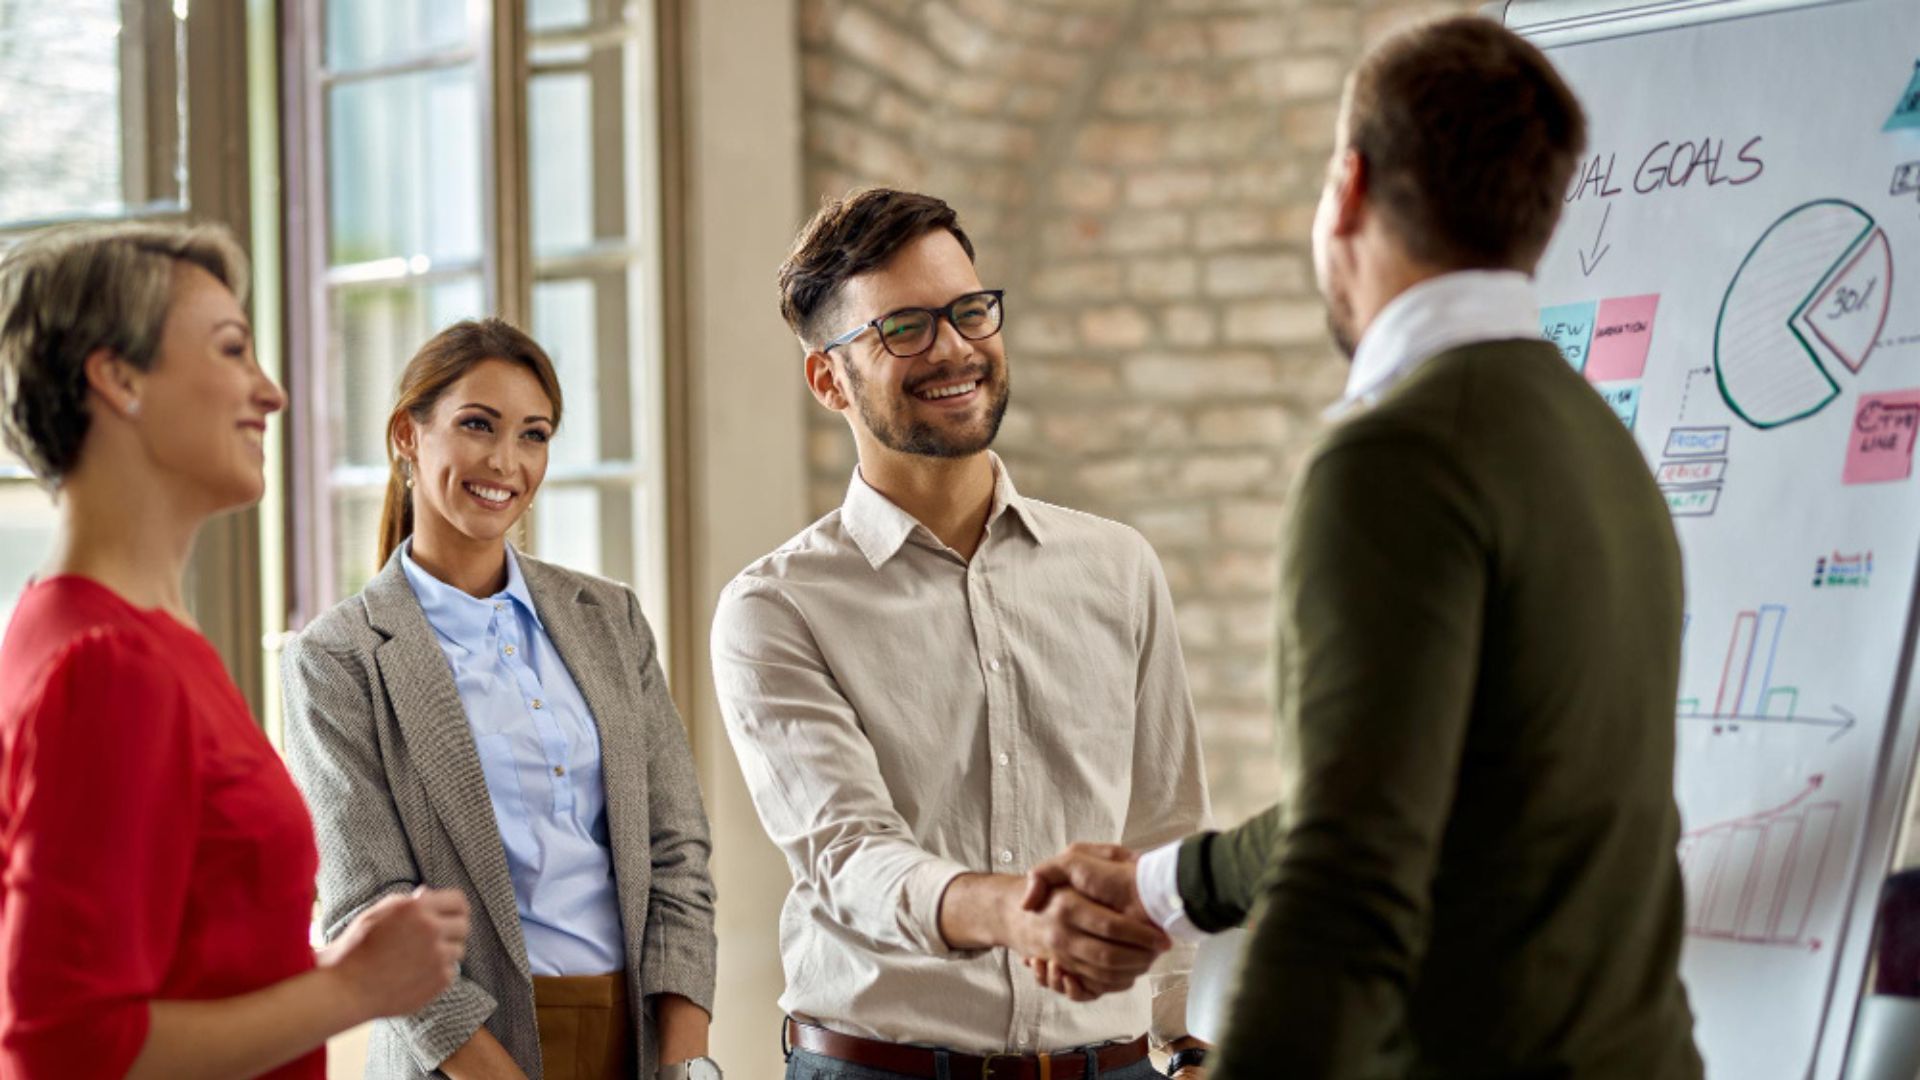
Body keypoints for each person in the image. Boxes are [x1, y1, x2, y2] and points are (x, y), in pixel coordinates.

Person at [1025, 15, 1705, 1080]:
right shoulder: (1599, 445)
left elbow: (1350, 876)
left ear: (1347, 187)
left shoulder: (1394, 459)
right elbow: (1403, 784)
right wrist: (1164, 890)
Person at [710, 187, 1212, 1080]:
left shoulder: (1118, 567)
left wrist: (1176, 1037)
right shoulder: (776, 609)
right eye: (903, 327)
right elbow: (849, 856)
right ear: (829, 378)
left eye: (970, 310)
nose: (954, 348)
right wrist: (1015, 913)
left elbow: (1162, 824)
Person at [0, 222, 470, 1080]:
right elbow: (62, 1051)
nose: (273, 393)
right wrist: (354, 990)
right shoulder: (106, 666)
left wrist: (334, 974)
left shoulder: (103, 631)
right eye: (232, 350)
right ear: (119, 378)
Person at [281, 318, 719, 1080]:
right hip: (462, 1060)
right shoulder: (337, 658)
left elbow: (676, 853)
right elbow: (369, 908)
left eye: (534, 435)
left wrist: (687, 1068)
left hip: (639, 1042)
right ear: (407, 436)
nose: (505, 462)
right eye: (477, 425)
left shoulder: (608, 618)